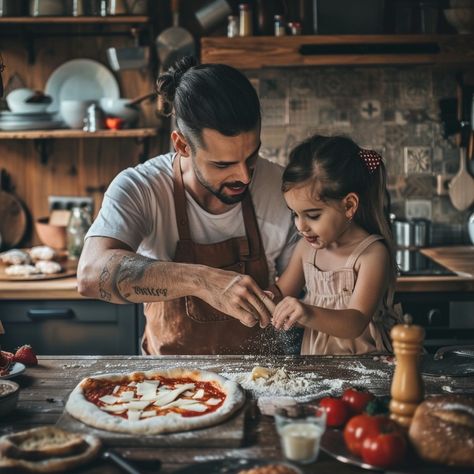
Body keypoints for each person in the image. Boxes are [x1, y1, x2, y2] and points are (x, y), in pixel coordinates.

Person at [77, 56, 299, 355]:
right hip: (170, 386)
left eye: (251, 157)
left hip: (264, 379)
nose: (244, 176)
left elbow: (308, 275)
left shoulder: (281, 187)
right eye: (223, 164)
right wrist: (202, 280)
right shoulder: (141, 187)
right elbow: (91, 274)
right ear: (182, 145)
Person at [271, 135, 401, 354]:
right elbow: (281, 292)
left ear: (349, 205)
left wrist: (307, 312)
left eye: (312, 215)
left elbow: (355, 322)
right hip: (316, 362)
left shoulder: (371, 255)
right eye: (294, 214)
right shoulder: (305, 249)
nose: (300, 226)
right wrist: (259, 298)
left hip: (366, 364)